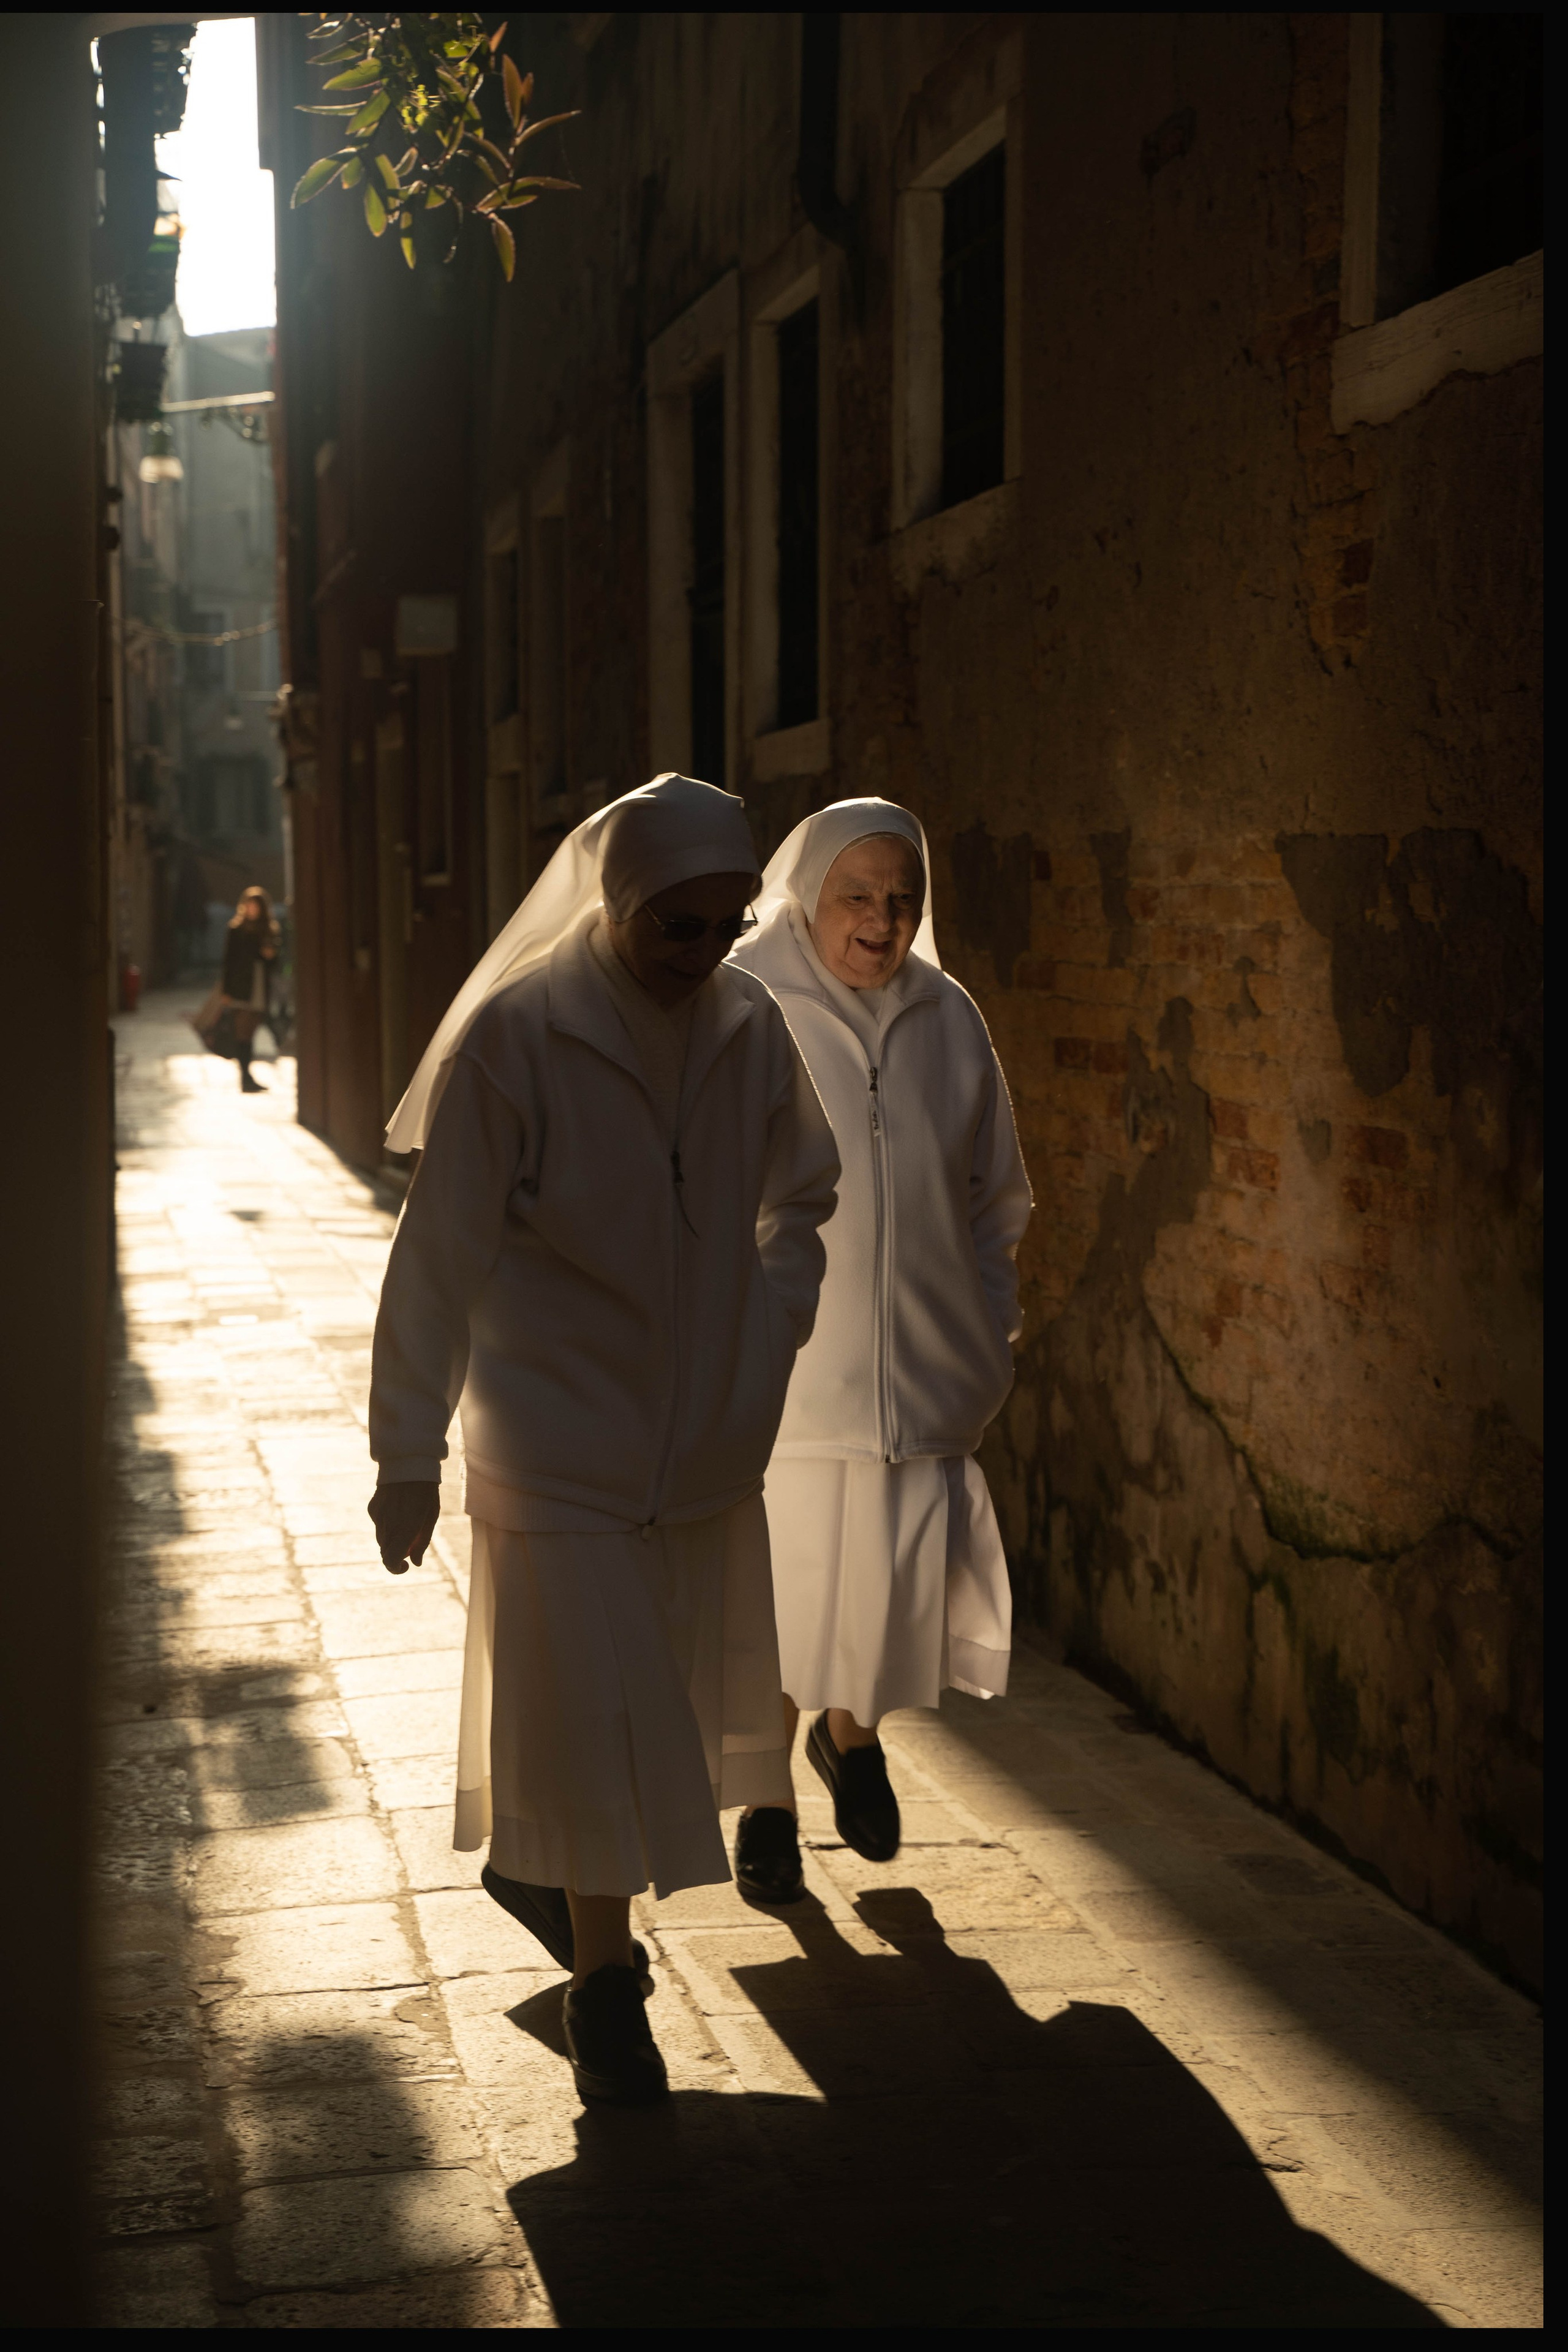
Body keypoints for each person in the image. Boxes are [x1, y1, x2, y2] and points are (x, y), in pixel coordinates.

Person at [366, 775, 840, 2106]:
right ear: (621, 906)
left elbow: (801, 1193)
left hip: (699, 1448)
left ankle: (553, 1892)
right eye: (675, 929)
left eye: (723, 925)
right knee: (586, 1723)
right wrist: (406, 1450)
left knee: (667, 1715)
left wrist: (769, 1327)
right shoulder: (518, 1041)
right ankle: (607, 1981)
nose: (701, 956)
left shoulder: (748, 1026)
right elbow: (436, 1260)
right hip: (552, 1441)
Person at [726, 798, 1031, 1899]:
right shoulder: (745, 1003)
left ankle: (850, 1736)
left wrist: (987, 1338)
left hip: (925, 1380)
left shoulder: (948, 1017)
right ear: (808, 893)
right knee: (777, 1604)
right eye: (858, 895)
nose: (884, 919)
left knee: (885, 1601)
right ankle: (766, 1800)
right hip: (789, 1384)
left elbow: (996, 1196)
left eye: (903, 898)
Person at [219, 884, 279, 1091]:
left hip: (259, 985)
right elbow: (228, 961)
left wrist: (269, 956)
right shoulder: (236, 929)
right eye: (250, 905)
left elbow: (273, 962)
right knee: (242, 1033)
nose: (252, 909)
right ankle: (245, 1077)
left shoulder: (267, 930)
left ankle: (247, 1076)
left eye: (256, 906)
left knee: (251, 1031)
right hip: (241, 986)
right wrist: (226, 991)